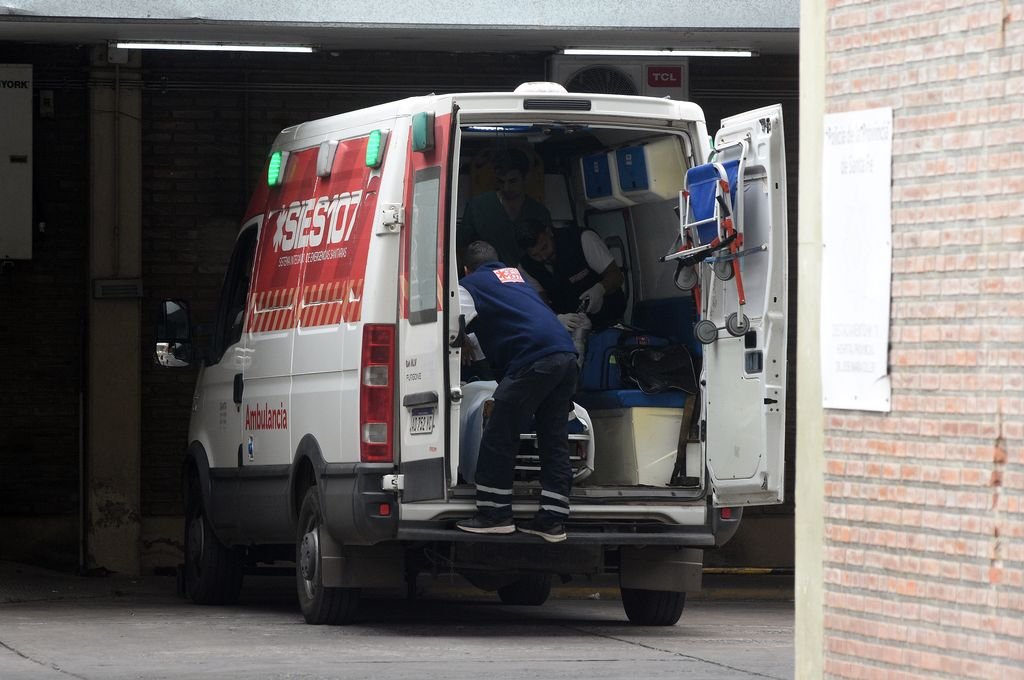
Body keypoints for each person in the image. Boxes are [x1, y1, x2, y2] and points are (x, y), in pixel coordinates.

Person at [455, 241, 578, 543]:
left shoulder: (469, 284)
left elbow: (449, 324)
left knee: (499, 432)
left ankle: (494, 514)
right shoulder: (515, 278)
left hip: (533, 360)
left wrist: (462, 338)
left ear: (467, 268)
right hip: (565, 355)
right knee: (554, 438)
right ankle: (552, 520)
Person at [515, 218, 627, 330]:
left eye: (545, 247)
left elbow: (616, 275)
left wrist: (600, 289)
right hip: (569, 328)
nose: (543, 257)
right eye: (535, 255)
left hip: (609, 320)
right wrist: (556, 318)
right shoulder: (526, 267)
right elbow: (540, 303)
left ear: (549, 232)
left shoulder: (581, 239)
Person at [457, 148, 552, 267]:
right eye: (501, 181)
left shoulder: (539, 212)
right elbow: (461, 247)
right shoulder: (478, 207)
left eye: (513, 181)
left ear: (526, 177)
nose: (506, 188)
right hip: (489, 278)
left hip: (529, 280)